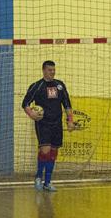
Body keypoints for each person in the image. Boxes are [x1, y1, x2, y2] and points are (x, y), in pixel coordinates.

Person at [21, 60, 75, 191]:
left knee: (53, 152)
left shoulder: (60, 85)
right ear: (44, 70)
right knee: (45, 150)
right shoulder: (37, 86)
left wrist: (70, 120)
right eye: (50, 70)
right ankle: (38, 177)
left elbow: (67, 104)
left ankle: (48, 182)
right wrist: (31, 113)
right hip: (43, 123)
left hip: (57, 123)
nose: (52, 72)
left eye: (54, 70)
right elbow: (25, 103)